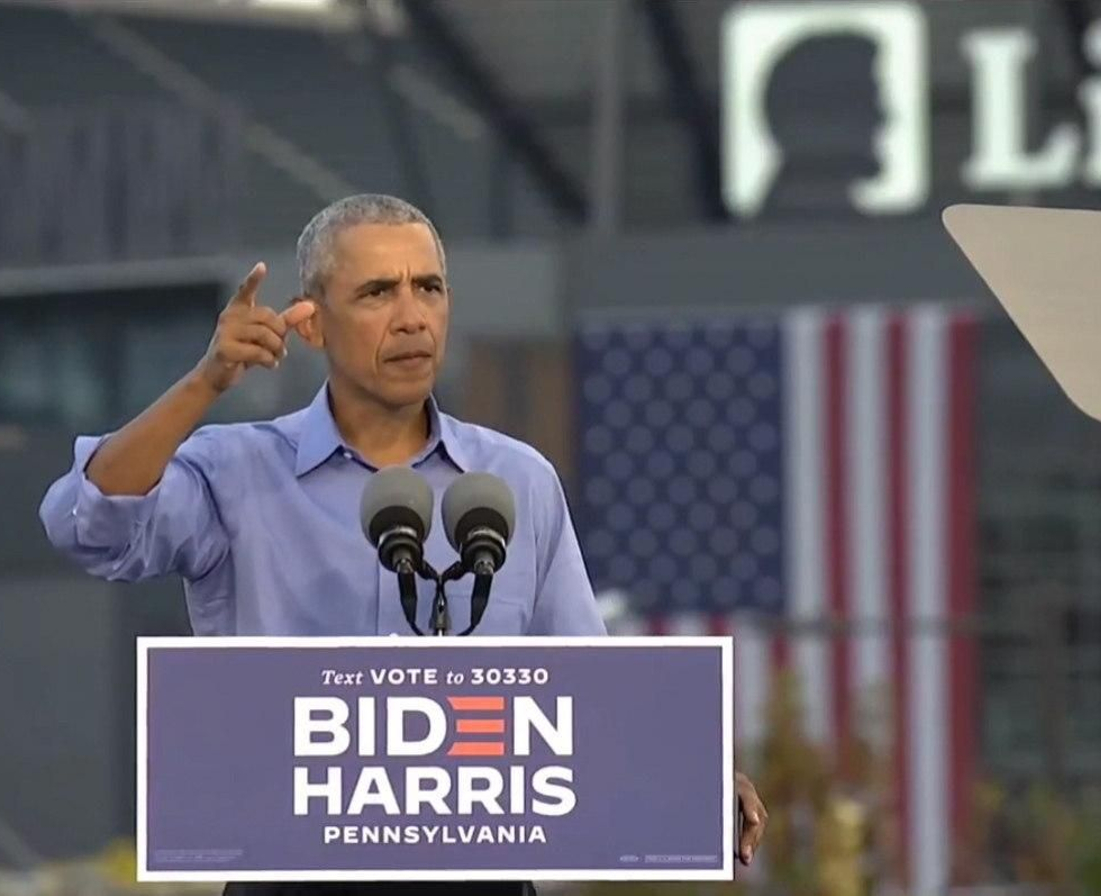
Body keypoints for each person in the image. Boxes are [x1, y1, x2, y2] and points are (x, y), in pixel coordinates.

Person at [39, 194, 767, 895]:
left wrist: (686, 774)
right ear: (314, 324)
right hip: (289, 878)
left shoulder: (515, 480)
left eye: (429, 288)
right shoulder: (237, 472)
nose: (413, 317)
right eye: (378, 293)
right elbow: (90, 524)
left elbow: (585, 693)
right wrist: (207, 382)